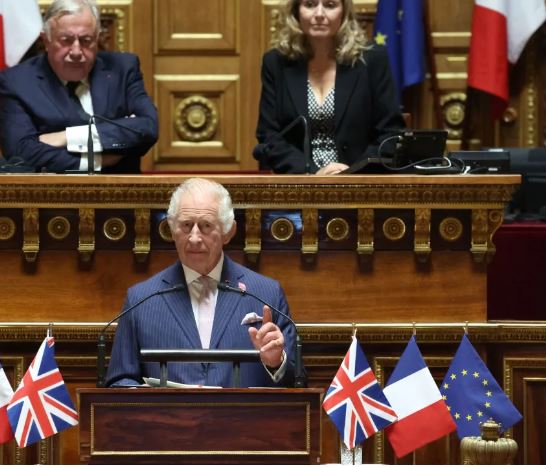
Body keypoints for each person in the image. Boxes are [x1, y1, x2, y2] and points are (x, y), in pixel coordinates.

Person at [106, 178, 300, 387]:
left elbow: (298, 382)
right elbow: (119, 380)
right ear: (172, 230)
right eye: (186, 225)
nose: (195, 238)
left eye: (206, 226)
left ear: (228, 232)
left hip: (244, 419)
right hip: (167, 419)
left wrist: (275, 362)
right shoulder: (141, 299)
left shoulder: (266, 294)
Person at [0, 0, 158, 173]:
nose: (76, 52)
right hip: (51, 195)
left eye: (86, 40)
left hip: (122, 193)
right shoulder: (17, 81)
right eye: (66, 41)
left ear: (97, 38)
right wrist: (95, 161)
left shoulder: (123, 69)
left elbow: (147, 128)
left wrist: (67, 137)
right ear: (46, 40)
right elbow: (20, 151)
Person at [256, 0, 406, 175]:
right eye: (310, 4)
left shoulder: (372, 59)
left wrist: (352, 173)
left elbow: (391, 133)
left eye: (330, 5)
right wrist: (314, 173)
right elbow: (269, 137)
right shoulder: (276, 62)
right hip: (298, 185)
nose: (319, 14)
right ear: (296, 11)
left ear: (344, 12)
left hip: (360, 187)